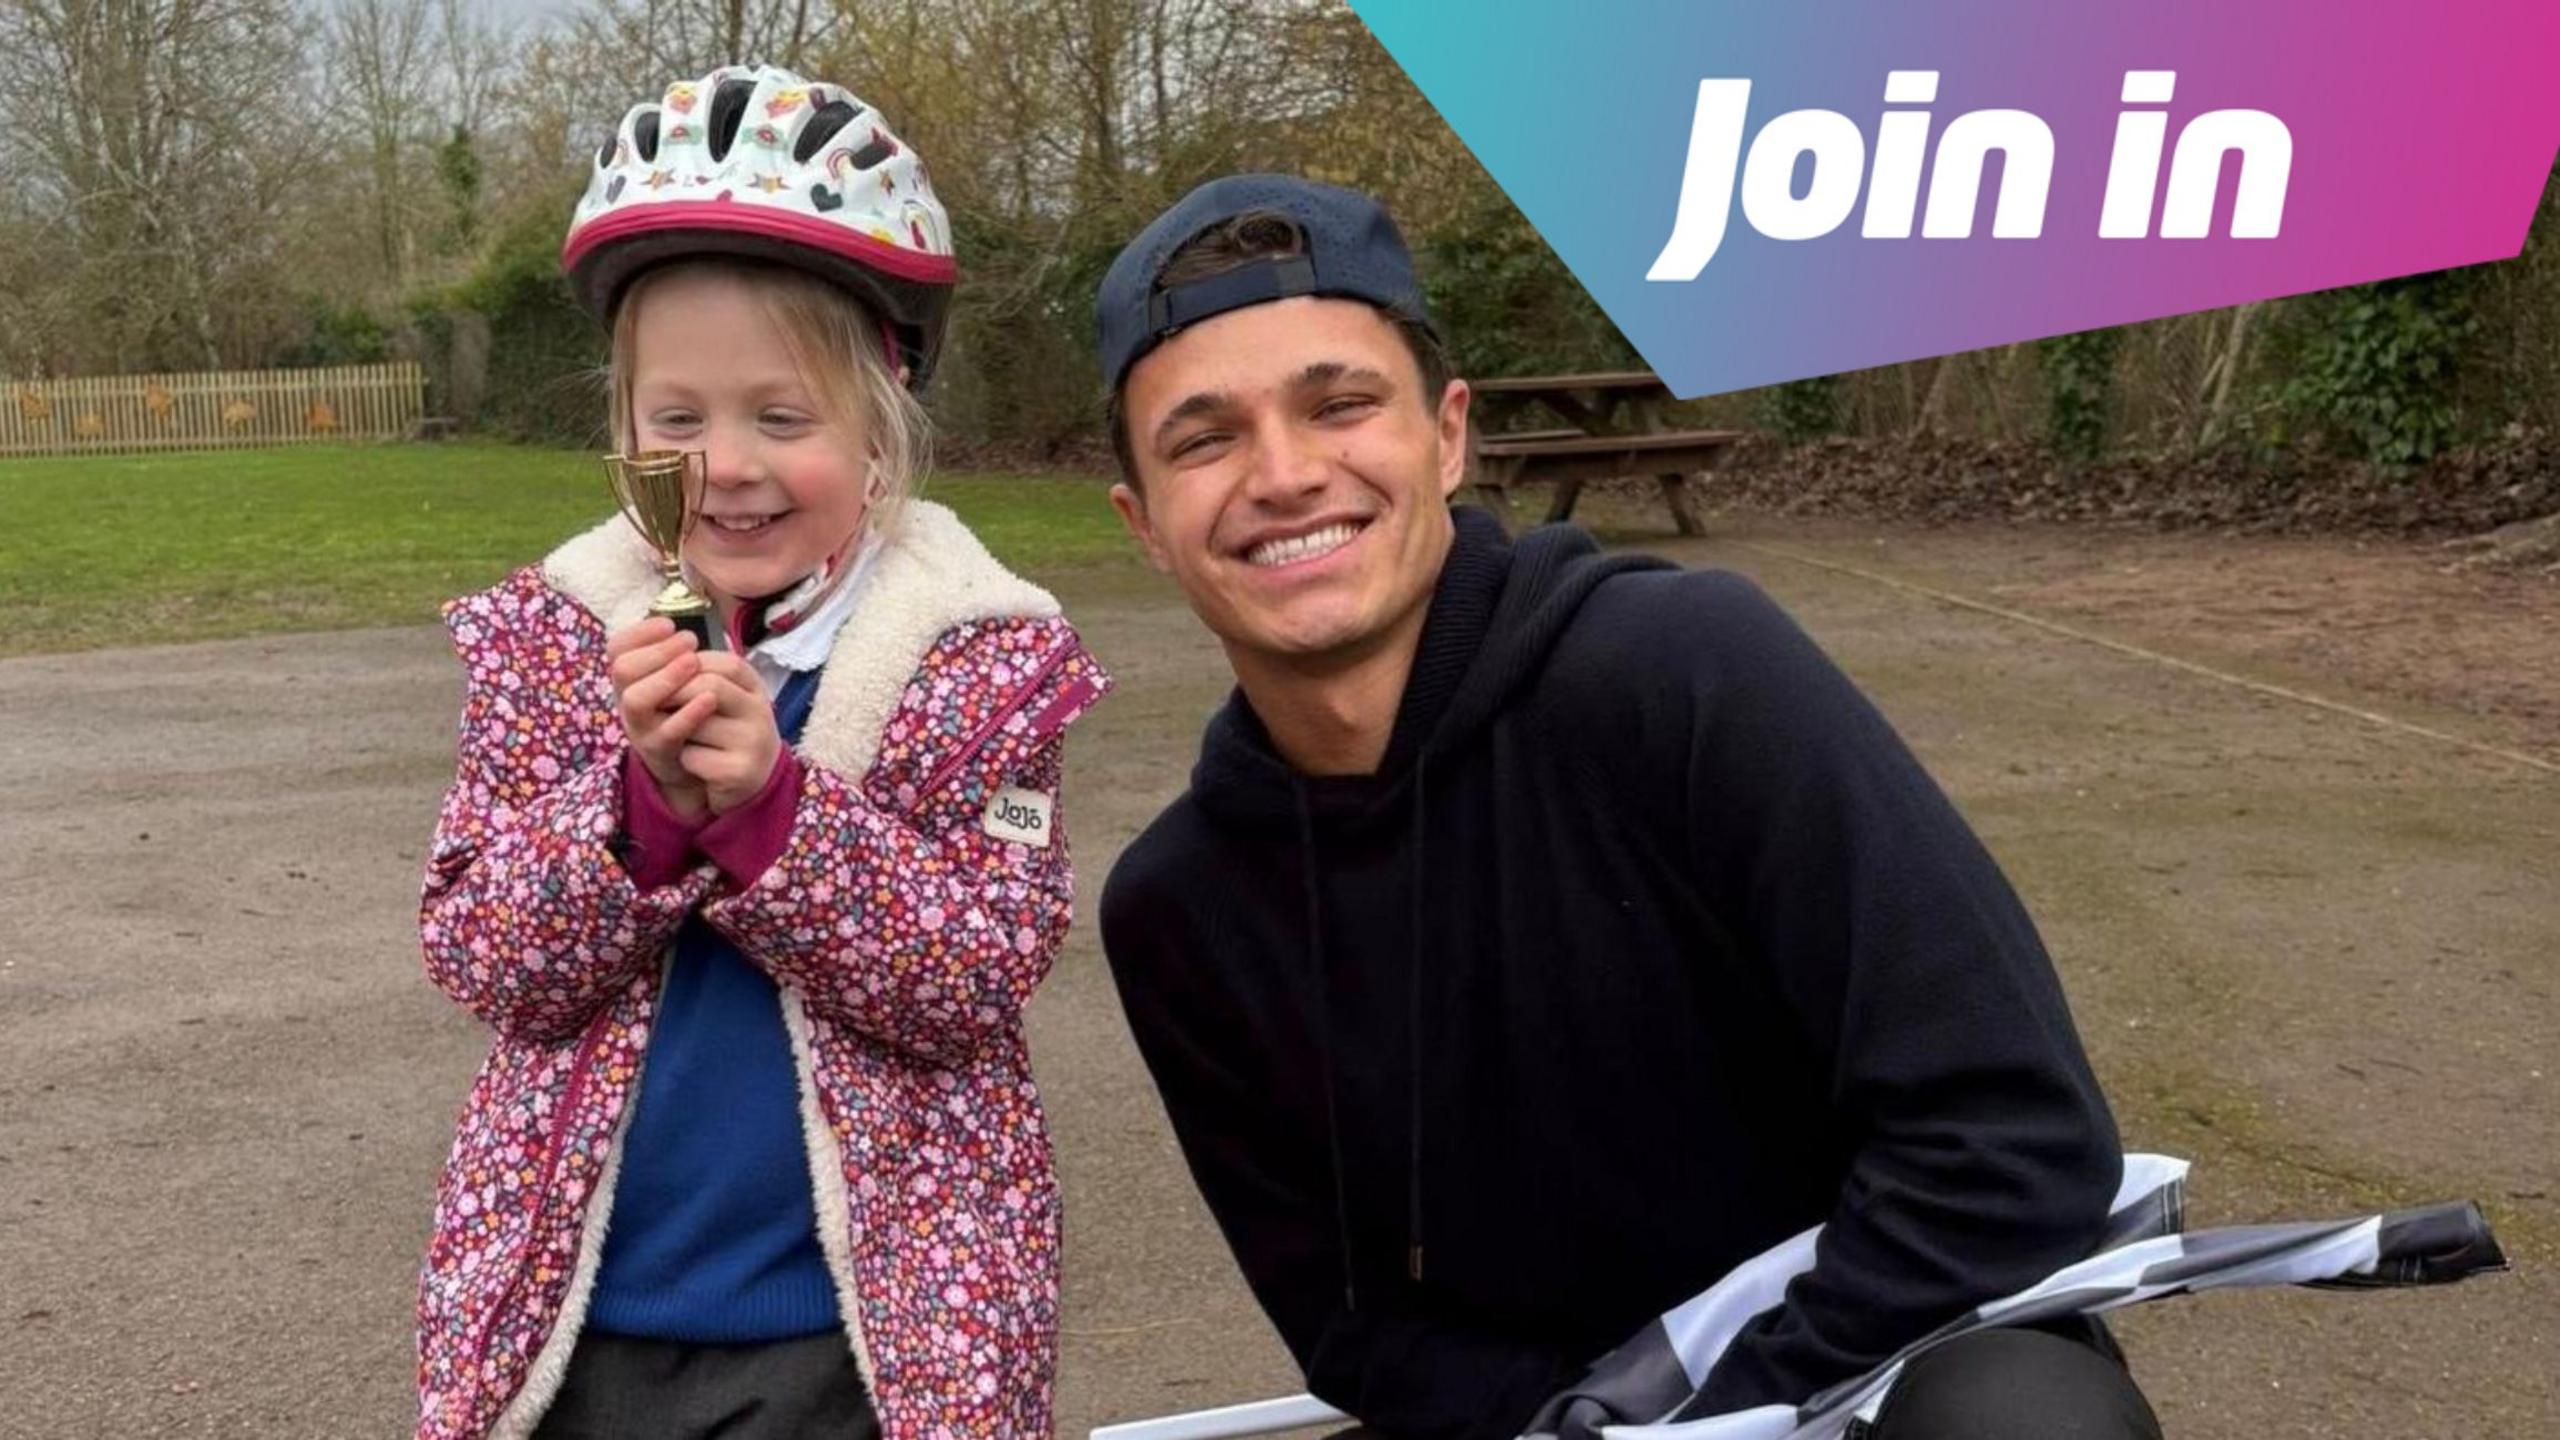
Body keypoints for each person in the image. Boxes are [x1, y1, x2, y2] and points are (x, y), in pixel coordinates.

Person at [1093, 174, 2162, 1440]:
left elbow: (2009, 1141)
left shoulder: (1684, 673)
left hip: (1880, 1366)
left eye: (1339, 404)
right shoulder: (1180, 911)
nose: (1283, 474)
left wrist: (1705, 1411)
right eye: (1204, 440)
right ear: (1143, 522)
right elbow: (1354, 1333)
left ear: (1446, 436)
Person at [412, 64, 1110, 1440]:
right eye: (676, 421)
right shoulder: (553, 643)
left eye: (780, 420)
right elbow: (483, 953)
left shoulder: (981, 661)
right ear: (622, 430)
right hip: (578, 1325)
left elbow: (977, 974)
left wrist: (772, 811)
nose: (723, 464)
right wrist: (640, 809)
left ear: (879, 439)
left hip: (864, 1351)